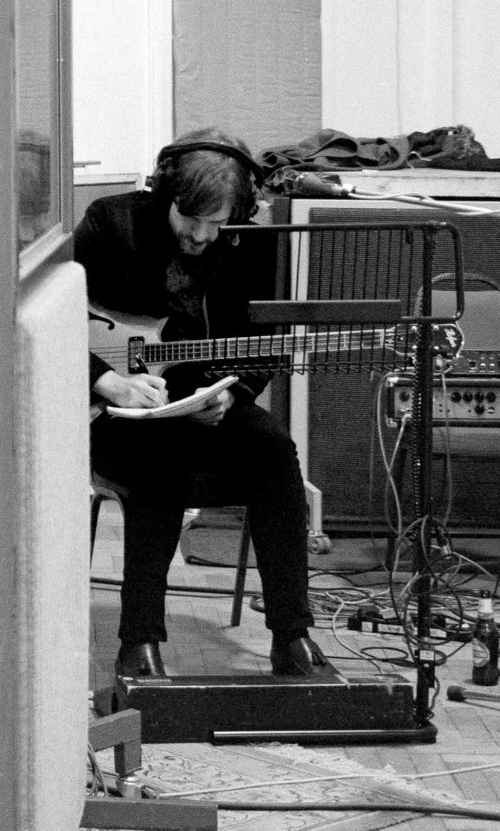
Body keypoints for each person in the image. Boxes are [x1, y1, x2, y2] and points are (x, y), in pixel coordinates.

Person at [72, 127, 327, 682]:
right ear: (166, 195)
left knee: (275, 451)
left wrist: (231, 395)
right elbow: (47, 317)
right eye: (192, 221)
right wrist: (108, 382)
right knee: (159, 461)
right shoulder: (108, 223)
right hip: (111, 410)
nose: (203, 236)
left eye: (217, 224)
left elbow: (260, 344)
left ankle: (292, 634)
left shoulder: (247, 242)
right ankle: (139, 640)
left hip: (202, 401)